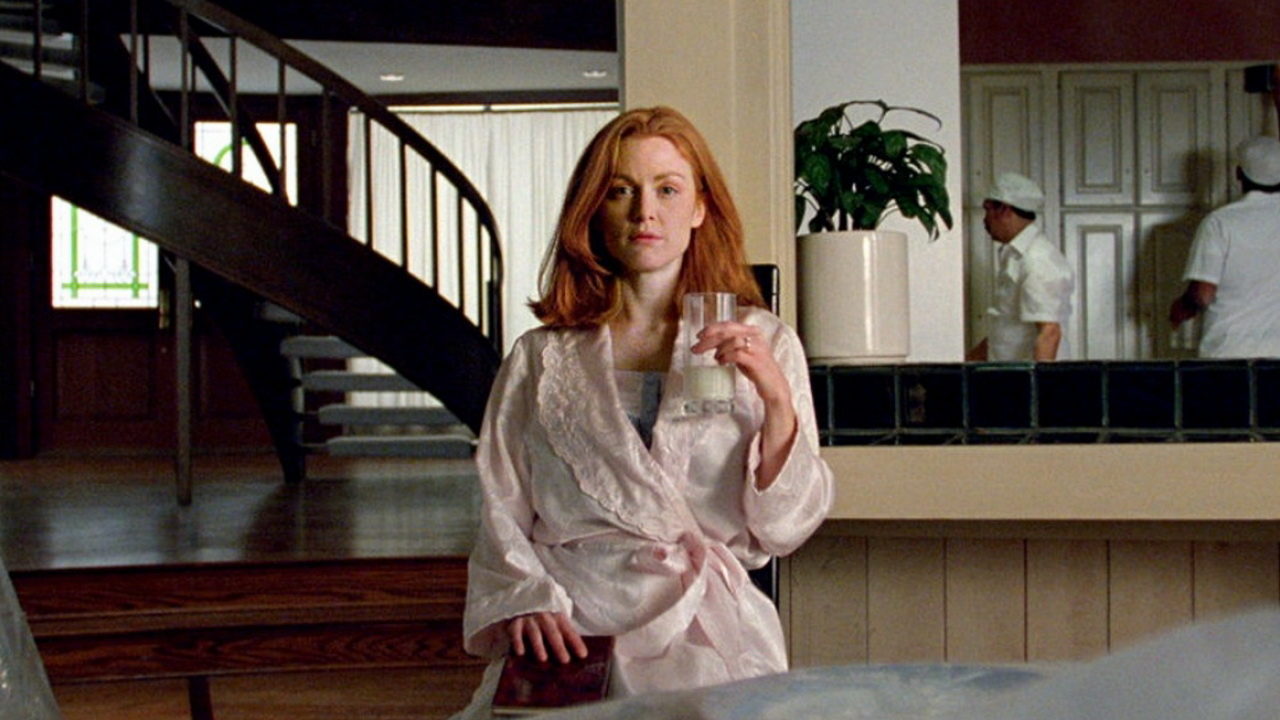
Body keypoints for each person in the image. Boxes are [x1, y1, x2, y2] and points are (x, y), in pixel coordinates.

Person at [449, 107, 834, 718]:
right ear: (593, 211)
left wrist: (777, 399)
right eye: (621, 191)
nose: (644, 212)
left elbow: (785, 529)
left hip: (703, 630)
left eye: (667, 190)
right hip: (572, 626)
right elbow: (501, 496)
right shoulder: (542, 355)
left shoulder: (764, 340)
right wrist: (523, 595)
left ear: (700, 207)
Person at [1169, 135, 1280, 358]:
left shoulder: (1220, 222)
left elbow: (1202, 295)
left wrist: (1181, 308)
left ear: (1239, 174)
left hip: (1230, 352)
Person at [968, 172, 1074, 362]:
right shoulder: (1014, 255)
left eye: (987, 210)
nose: (985, 220)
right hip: (1009, 375)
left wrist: (1037, 382)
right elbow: (1005, 331)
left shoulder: (1038, 259)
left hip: (1025, 378)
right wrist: (965, 364)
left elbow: (1049, 333)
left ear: (1004, 209)